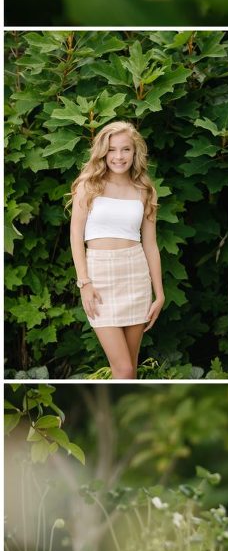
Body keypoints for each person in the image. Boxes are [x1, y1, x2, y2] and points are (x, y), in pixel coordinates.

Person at [69, 120, 164, 379]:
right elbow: (76, 237)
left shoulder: (144, 191)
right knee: (122, 368)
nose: (118, 156)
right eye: (112, 150)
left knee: (129, 369)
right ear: (103, 152)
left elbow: (150, 244)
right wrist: (84, 283)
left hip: (135, 276)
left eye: (125, 150)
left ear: (135, 153)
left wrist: (160, 293)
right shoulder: (88, 186)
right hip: (99, 279)